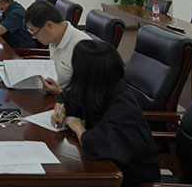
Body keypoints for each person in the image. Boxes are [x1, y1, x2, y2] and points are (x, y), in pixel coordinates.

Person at [51, 40, 160, 187]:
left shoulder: (122, 107)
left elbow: (95, 144)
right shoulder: (100, 86)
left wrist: (78, 127)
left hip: (129, 178)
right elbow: (70, 98)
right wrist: (61, 108)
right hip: (108, 167)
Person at [24, 0, 90, 94]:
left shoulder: (81, 48)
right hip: (53, 89)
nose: (34, 36)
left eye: (34, 32)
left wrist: (59, 93)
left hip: (67, 98)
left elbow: (86, 94)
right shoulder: (54, 38)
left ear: (49, 25)